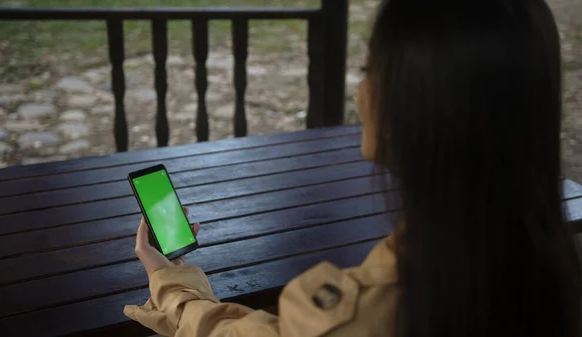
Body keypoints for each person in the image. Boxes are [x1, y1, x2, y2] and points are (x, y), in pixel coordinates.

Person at [124, 0, 582, 336]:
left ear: (421, 107)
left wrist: (171, 284)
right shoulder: (551, 261)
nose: (360, 91)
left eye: (370, 69)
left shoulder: (371, 308)